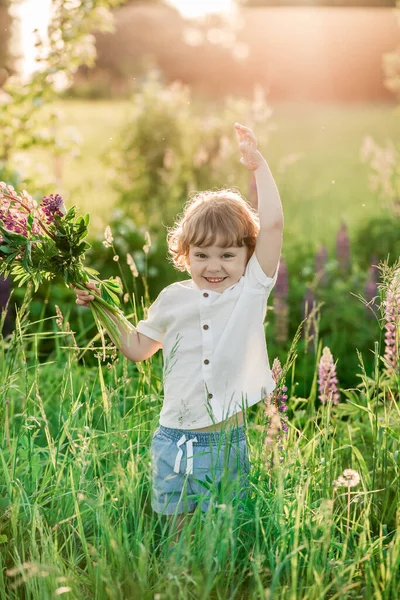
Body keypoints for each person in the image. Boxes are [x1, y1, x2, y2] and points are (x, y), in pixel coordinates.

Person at [73, 123, 284, 549]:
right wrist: (100, 304)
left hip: (225, 443)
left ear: (248, 253)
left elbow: (275, 225)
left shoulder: (251, 290)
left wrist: (258, 165)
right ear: (185, 255)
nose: (215, 266)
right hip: (171, 438)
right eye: (202, 255)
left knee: (218, 542)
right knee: (177, 542)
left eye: (228, 254)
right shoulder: (173, 298)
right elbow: (135, 348)